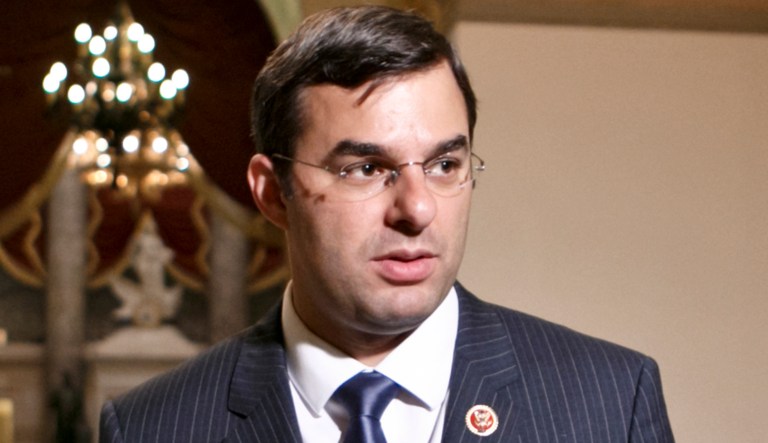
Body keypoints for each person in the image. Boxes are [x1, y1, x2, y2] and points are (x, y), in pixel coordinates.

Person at [100, 6, 674, 442]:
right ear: (273, 194)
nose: (417, 210)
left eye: (444, 165)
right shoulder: (153, 427)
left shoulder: (610, 403)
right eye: (367, 169)